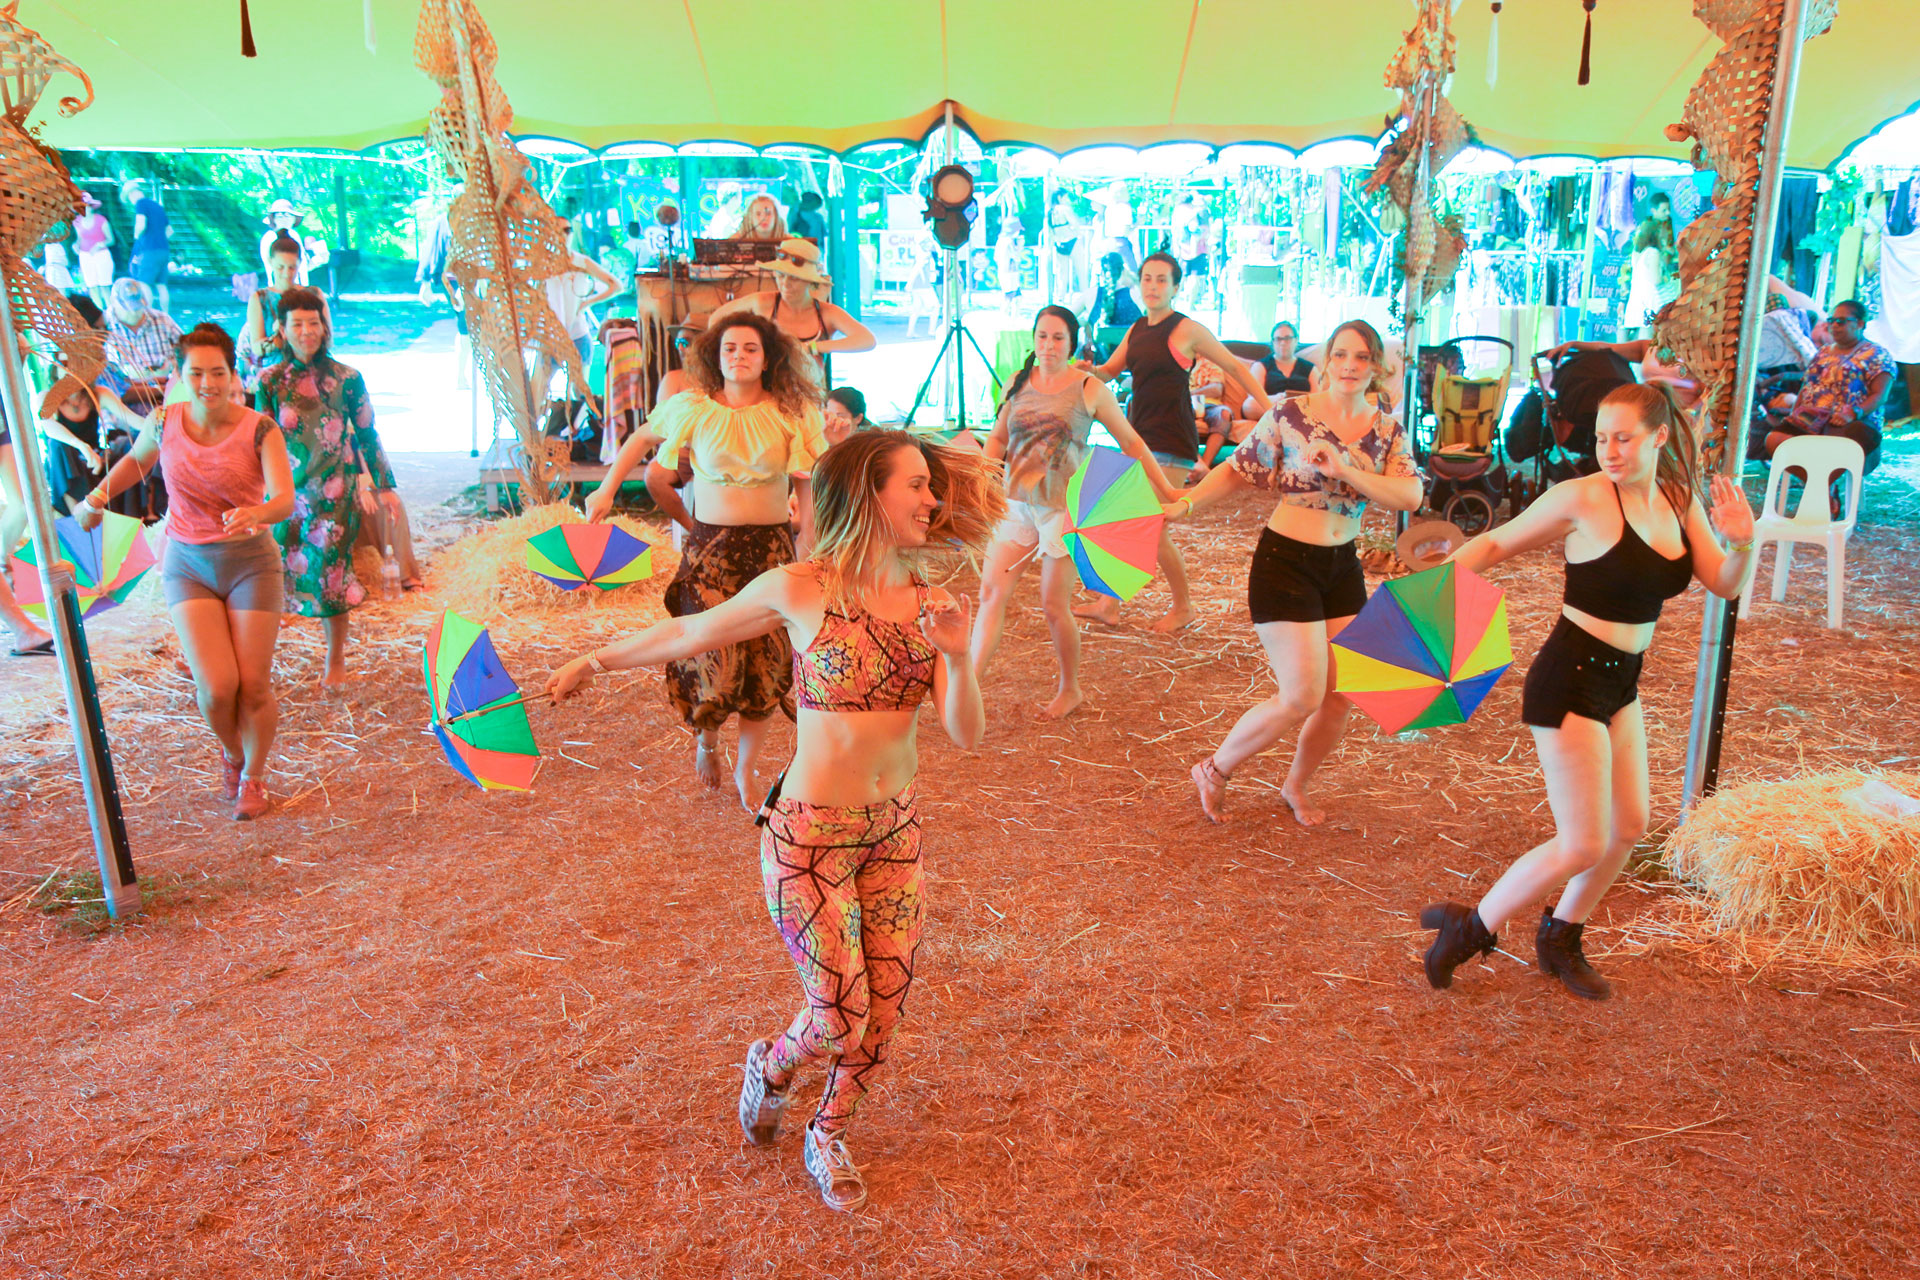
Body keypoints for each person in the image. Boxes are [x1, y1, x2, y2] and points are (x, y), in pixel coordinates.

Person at [547, 429, 1001, 1213]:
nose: (932, 500)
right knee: (839, 1015)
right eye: (916, 485)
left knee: (883, 1010)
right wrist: (595, 661)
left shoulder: (933, 605)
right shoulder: (799, 588)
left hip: (894, 834)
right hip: (809, 837)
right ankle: (773, 1064)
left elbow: (966, 733)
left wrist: (958, 657)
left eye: (931, 487)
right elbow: (690, 631)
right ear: (868, 494)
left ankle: (828, 1131)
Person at [1421, 383, 1755, 999]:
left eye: (1623, 438)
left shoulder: (1679, 499)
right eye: (1602, 438)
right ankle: (1468, 928)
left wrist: (1741, 542)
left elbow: (1725, 583)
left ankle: (1561, 936)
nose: (1610, 451)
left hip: (1622, 681)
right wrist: (1424, 592)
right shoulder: (1580, 497)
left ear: (1659, 436)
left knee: (1629, 825)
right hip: (1569, 676)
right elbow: (1495, 541)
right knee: (1582, 842)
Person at [1170, 318, 1424, 826]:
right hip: (1285, 561)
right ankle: (1215, 769)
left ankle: (1295, 785)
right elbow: (1237, 469)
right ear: (1327, 361)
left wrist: (1346, 469)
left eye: (1362, 357)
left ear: (1375, 367)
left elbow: (1411, 495)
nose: (1350, 365)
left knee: (1339, 696)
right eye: (1341, 354)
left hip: (1342, 566)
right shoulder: (1291, 414)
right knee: (1303, 695)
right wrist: (1186, 504)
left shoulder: (1387, 431)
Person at [592, 314, 827, 807]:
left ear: (768, 358)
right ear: (715, 357)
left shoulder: (792, 411)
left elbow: (806, 484)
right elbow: (639, 440)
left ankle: (747, 767)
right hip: (711, 551)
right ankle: (709, 741)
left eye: (750, 348)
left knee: (767, 661)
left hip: (770, 552)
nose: (739, 356)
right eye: (729, 349)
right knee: (709, 655)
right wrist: (606, 490)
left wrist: (807, 541)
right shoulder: (693, 407)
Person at [80, 324, 294, 820]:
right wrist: (96, 498)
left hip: (251, 564)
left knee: (252, 684)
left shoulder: (260, 428)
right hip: (187, 564)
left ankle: (254, 777)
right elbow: (136, 463)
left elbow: (283, 498)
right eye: (195, 373)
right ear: (179, 374)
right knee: (216, 687)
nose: (207, 383)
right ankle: (233, 753)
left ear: (232, 375)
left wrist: (257, 512)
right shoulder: (163, 421)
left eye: (217, 372)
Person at [971, 306, 1179, 718]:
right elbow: (996, 439)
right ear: (1033, 338)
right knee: (990, 594)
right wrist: (979, 479)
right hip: (1017, 504)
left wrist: (1167, 489)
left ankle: (1070, 689)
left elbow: (1131, 443)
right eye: (1042, 336)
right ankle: (968, 688)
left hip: (1062, 511)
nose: (1048, 345)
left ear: (1072, 343)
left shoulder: (1089, 388)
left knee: (1053, 606)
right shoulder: (1016, 382)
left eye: (1057, 338)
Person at [1077, 252, 1272, 631]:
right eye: (1147, 278)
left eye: (1161, 279)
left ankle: (1183, 607)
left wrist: (1271, 410)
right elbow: (1110, 371)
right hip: (1139, 436)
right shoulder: (1137, 328)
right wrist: (1089, 370)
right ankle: (1109, 604)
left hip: (1171, 438)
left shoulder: (1187, 329)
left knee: (1150, 525)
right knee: (1132, 519)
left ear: (1176, 287)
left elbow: (1234, 366)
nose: (1152, 286)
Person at [254, 287, 398, 687]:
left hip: (336, 494)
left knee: (332, 576)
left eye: (313, 322)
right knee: (271, 577)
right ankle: (258, 662)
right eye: (297, 324)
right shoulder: (268, 381)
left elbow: (367, 433)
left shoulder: (347, 379)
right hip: (284, 497)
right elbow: (256, 442)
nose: (306, 331)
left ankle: (335, 659)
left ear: (324, 326)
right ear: (282, 330)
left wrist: (385, 486)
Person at [1764, 299, 1896, 488]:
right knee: (1775, 440)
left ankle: (1819, 489)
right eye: (1831, 321)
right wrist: (1794, 413)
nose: (1834, 326)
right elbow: (1806, 386)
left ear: (1860, 323)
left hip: (1853, 423)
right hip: (1811, 420)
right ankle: (1821, 488)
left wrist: (1854, 413)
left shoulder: (1877, 355)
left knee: (1831, 447)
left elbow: (1880, 395)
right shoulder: (1823, 352)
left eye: (1841, 321)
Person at [709, 239, 876, 367]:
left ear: (809, 281)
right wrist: (741, 347)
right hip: (767, 392)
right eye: (780, 275)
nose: (785, 284)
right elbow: (716, 319)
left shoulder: (826, 313)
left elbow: (867, 340)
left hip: (810, 392)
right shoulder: (762, 302)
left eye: (794, 278)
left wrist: (813, 347)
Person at [535, 221, 624, 400]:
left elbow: (616, 285)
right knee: (539, 390)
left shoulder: (582, 262)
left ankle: (578, 419)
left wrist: (588, 302)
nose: (564, 234)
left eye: (568, 230)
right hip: (551, 335)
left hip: (578, 333)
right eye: (559, 230)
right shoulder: (542, 263)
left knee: (579, 393)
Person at [241, 235, 335, 392]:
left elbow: (328, 339)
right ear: (270, 262)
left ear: (299, 264)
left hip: (315, 367)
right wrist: (277, 340)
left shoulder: (314, 293)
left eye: (292, 267)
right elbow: (256, 347)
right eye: (280, 267)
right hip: (276, 373)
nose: (287, 273)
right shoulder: (260, 298)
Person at [33, 378, 109, 517]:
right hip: (64, 464)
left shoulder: (96, 394)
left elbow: (131, 418)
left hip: (94, 461)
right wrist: (81, 445)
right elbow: (48, 425)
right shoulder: (47, 397)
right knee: (57, 445)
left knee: (123, 443)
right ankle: (76, 515)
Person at [1621, 192, 1677, 340]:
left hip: (1641, 294)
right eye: (1664, 210)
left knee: (1644, 333)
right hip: (1650, 296)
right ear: (1653, 210)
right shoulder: (1650, 248)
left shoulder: (1644, 249)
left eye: (1668, 209)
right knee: (1646, 335)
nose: (1668, 213)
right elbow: (1654, 278)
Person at [121, 179, 171, 314]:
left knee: (144, 283)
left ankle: (148, 314)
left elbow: (141, 225)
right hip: (164, 250)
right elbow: (170, 231)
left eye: (129, 198)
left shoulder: (140, 204)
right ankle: (166, 315)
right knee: (161, 285)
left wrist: (137, 236)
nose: (131, 201)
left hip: (149, 251)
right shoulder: (158, 206)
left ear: (131, 194)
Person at [1251, 321, 1314, 411]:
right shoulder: (1260, 366)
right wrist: (1276, 399)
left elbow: (1318, 399)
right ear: (1273, 342)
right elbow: (1253, 399)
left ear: (1296, 340)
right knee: (1249, 404)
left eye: (1287, 338)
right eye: (1278, 339)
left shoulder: (1311, 369)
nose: (1283, 343)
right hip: (1270, 409)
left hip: (1302, 411)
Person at [72, 193, 115, 309]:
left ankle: (111, 312)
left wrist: (99, 245)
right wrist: (75, 245)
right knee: (92, 286)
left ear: (91, 207)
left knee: (104, 285)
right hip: (85, 256)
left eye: (86, 206)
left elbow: (111, 239)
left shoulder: (101, 220)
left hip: (102, 255)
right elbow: (79, 239)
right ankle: (100, 314)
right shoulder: (77, 221)